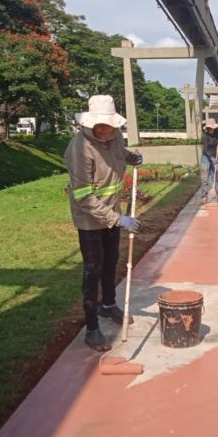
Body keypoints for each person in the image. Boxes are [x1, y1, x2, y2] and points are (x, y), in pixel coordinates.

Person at [64, 95, 144, 352]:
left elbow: (119, 154)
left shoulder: (115, 137)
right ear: (89, 124)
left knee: (111, 260)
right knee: (93, 268)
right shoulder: (79, 149)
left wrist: (132, 157)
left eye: (109, 126)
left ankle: (108, 305)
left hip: (112, 211)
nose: (105, 131)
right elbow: (83, 197)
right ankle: (91, 328)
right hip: (89, 218)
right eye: (100, 126)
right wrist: (118, 219)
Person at [200, 118, 218, 204]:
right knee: (205, 179)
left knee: (217, 178)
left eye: (213, 127)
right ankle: (204, 197)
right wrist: (212, 159)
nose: (212, 129)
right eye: (210, 127)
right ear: (208, 128)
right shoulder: (205, 136)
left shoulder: (217, 134)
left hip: (214, 158)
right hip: (206, 159)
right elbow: (205, 150)